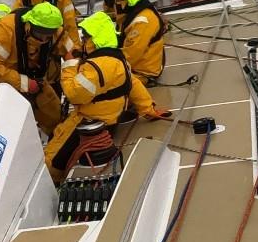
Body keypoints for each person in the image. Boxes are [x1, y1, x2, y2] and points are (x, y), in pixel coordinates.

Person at [44, 11, 168, 183]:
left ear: (95, 40)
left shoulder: (96, 67)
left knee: (52, 158)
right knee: (56, 137)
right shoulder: (118, 60)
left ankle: (52, 185)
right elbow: (133, 85)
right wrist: (148, 109)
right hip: (109, 119)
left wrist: (69, 65)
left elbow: (74, 94)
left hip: (88, 120)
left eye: (86, 38)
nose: (82, 42)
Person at [0, 2, 68, 135]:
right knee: (15, 127)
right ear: (29, 24)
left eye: (48, 36)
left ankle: (57, 142)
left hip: (35, 79)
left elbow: (69, 51)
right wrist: (24, 83)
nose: (44, 40)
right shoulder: (6, 29)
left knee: (54, 113)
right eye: (40, 34)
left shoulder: (54, 29)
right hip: (4, 83)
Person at [112, 0, 166, 85]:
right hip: (135, 68)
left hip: (142, 72)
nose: (116, 1)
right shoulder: (132, 14)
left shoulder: (143, 21)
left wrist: (108, 66)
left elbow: (131, 55)